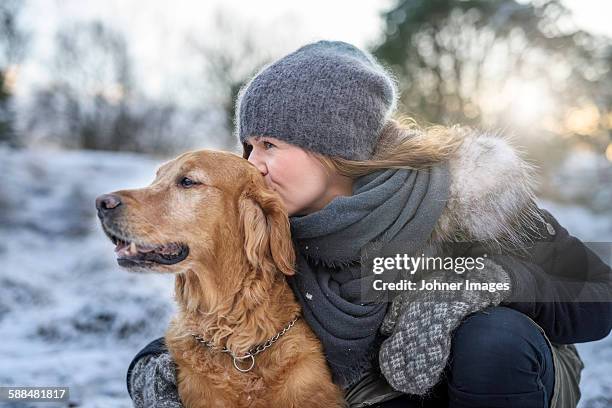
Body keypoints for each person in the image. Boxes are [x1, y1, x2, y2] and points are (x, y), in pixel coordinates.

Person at [126, 41, 612, 408]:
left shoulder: (465, 196)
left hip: (506, 377)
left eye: (270, 145)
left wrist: (477, 283)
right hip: (378, 390)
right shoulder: (275, 224)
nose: (253, 164)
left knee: (491, 340)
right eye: (248, 147)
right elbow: (232, 314)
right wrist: (153, 370)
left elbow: (599, 293)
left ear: (332, 147)